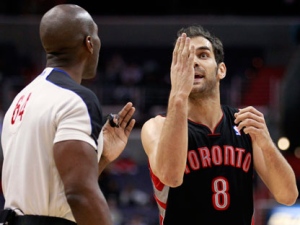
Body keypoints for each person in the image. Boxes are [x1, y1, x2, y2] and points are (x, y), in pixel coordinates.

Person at [140, 25, 298, 225]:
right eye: (186, 57)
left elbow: (288, 195)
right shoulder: (157, 127)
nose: (193, 62)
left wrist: (266, 143)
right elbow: (171, 177)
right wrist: (178, 94)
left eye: (203, 55)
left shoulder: (243, 123)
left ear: (221, 70)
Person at [0, 4, 136, 225]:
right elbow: (79, 194)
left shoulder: (20, 99)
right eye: (97, 35)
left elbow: (52, 188)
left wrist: (101, 158)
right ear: (89, 43)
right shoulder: (77, 98)